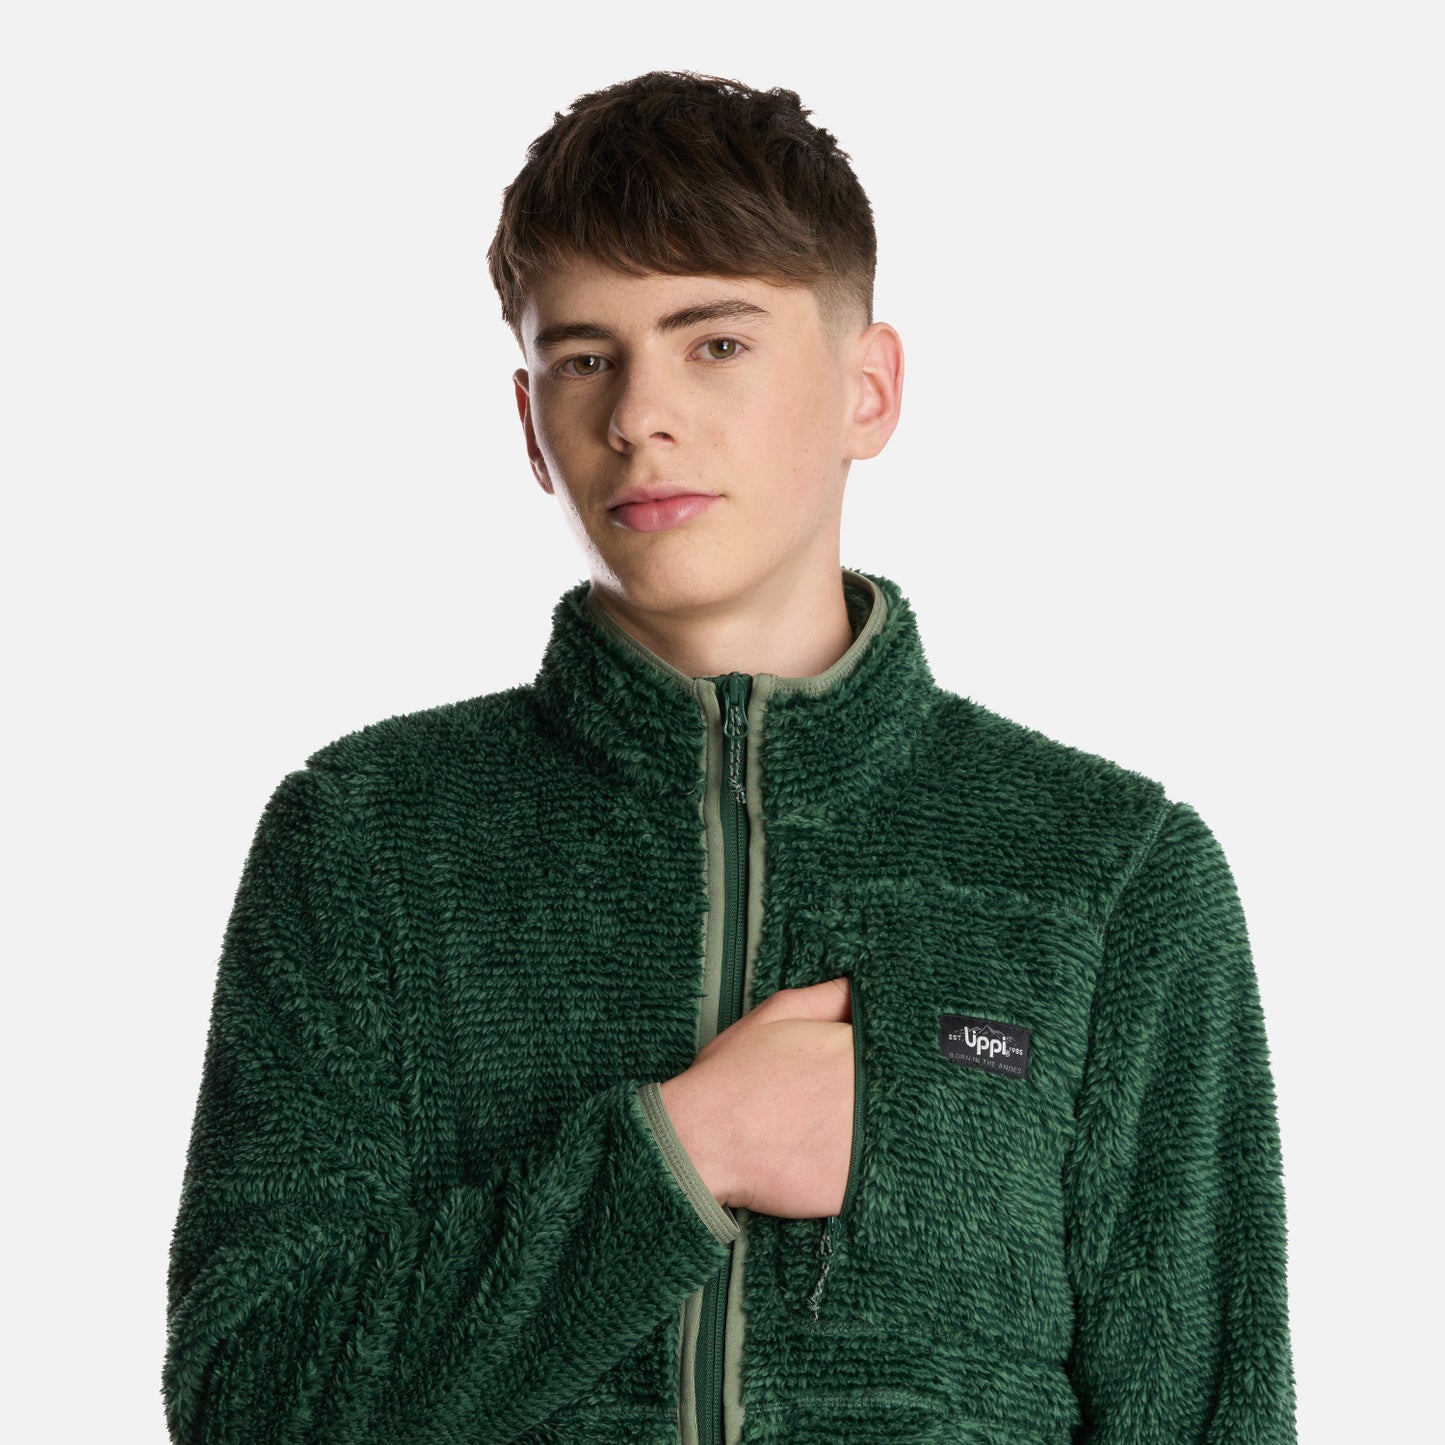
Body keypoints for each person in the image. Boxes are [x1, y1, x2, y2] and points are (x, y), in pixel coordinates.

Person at [162, 70, 1297, 1444]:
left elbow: (1210, 1415)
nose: (640, 415)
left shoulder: (1110, 879)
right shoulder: (367, 839)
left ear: (867, 390)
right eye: (586, 358)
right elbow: (241, 1403)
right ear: (531, 425)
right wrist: (684, 1154)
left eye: (714, 343)